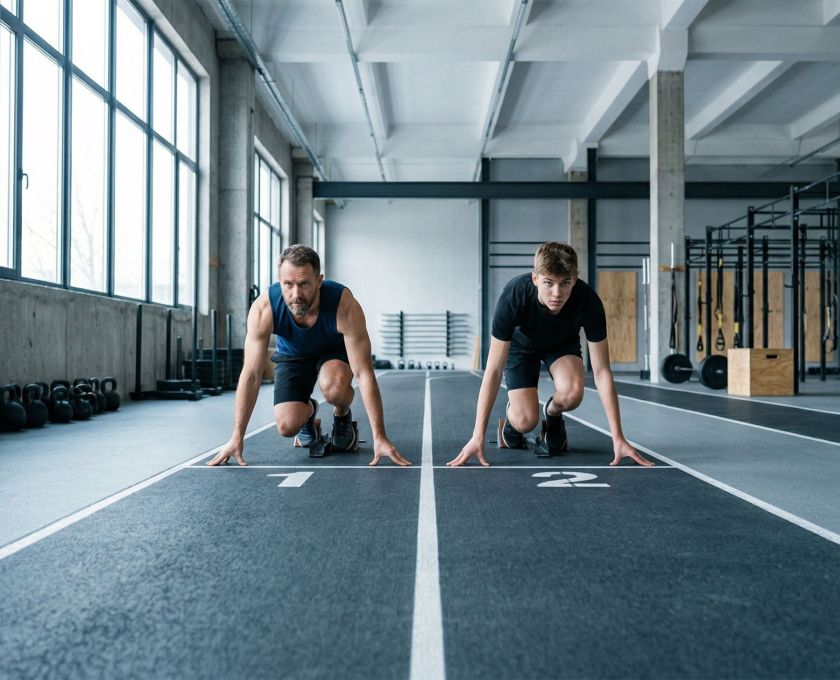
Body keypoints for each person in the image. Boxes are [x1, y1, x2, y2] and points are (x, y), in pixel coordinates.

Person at [448, 241, 652, 468]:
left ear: (574, 279)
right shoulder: (513, 296)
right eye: (548, 283)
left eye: (565, 283)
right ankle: (513, 418)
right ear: (535, 279)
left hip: (561, 345)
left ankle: (552, 413)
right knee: (525, 421)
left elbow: (602, 372)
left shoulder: (588, 301)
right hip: (521, 347)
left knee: (573, 393)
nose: (557, 293)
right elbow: (494, 371)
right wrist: (477, 436)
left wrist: (618, 437)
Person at [209, 244, 411, 467]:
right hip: (293, 354)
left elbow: (364, 374)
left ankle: (342, 415)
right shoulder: (264, 309)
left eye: (304, 284)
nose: (296, 294)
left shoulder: (344, 306)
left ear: (319, 280)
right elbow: (251, 375)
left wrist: (379, 436)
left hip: (332, 351)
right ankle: (308, 412)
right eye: (288, 284)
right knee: (286, 426)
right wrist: (236, 437)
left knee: (334, 389)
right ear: (279, 280)